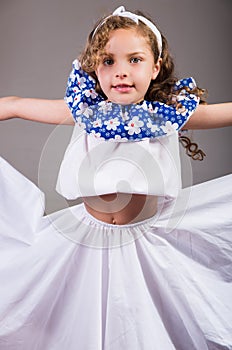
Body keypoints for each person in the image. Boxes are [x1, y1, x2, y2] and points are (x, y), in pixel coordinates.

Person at [0, 5, 232, 350]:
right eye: (108, 61)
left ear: (155, 68)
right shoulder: (84, 113)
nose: (121, 72)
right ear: (95, 69)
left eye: (134, 60)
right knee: (70, 321)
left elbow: (222, 112)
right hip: (81, 241)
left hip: (145, 242)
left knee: (140, 326)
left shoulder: (166, 116)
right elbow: (16, 104)